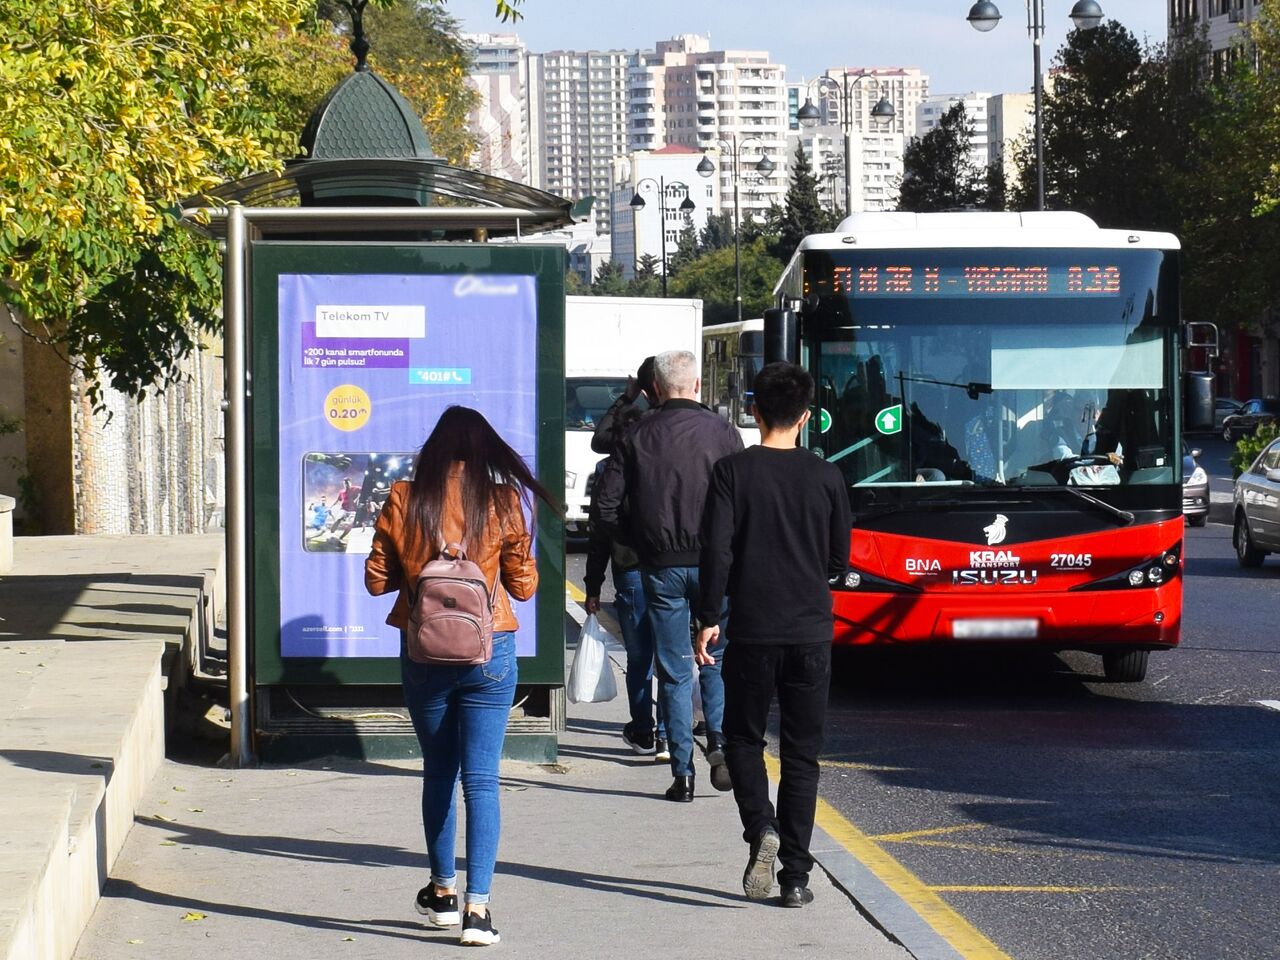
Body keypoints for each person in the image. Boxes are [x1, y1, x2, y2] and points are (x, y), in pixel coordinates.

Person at [365, 405, 556, 947]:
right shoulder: (501, 502)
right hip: (489, 652)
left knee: (438, 773)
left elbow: (377, 582)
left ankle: (442, 893)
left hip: (424, 655)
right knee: (482, 780)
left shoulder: (405, 497)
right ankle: (479, 911)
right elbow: (522, 588)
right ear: (482, 450)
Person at [696, 362, 850, 908]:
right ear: (806, 417)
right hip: (811, 630)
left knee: (742, 738)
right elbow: (838, 559)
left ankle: (760, 826)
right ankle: (795, 878)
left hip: (754, 630)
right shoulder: (827, 476)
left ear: (754, 410)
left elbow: (716, 550)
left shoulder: (732, 472)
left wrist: (708, 615)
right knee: (803, 755)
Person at [595, 349, 743, 802]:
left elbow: (605, 506)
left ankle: (683, 774)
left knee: (675, 669)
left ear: (655, 388)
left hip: (659, 566)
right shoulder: (724, 432)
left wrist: (639, 540)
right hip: (716, 563)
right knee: (715, 656)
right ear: (697, 385)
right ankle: (717, 739)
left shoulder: (637, 434)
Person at [583, 401, 668, 759]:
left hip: (629, 570)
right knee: (670, 655)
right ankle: (667, 733)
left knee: (639, 657)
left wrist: (592, 586)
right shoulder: (664, 468)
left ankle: (643, 730)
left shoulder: (608, 472)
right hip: (668, 568)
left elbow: (599, 534)